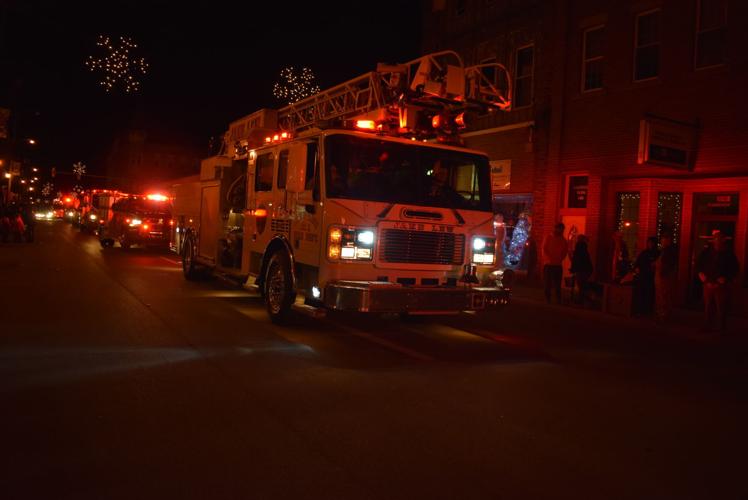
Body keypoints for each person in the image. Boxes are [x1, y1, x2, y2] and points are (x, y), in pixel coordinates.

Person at [696, 230, 740, 333]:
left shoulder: (729, 254)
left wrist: (726, 278)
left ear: (723, 240)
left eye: (720, 239)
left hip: (720, 285)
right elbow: (699, 264)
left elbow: (735, 269)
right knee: (708, 306)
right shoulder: (706, 252)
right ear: (713, 240)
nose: (717, 241)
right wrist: (700, 273)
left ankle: (721, 327)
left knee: (721, 307)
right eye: (716, 239)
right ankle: (707, 325)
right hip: (707, 283)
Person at [542, 222, 568, 304]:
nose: (561, 231)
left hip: (557, 264)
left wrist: (560, 258)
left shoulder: (563, 240)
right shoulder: (548, 237)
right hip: (549, 264)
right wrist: (548, 258)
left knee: (557, 284)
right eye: (560, 229)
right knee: (547, 283)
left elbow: (565, 251)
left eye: (562, 229)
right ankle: (548, 298)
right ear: (556, 229)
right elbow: (544, 249)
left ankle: (558, 299)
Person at [654, 232, 678, 322]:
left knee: (663, 296)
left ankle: (663, 315)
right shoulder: (664, 251)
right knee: (661, 295)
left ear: (668, 241)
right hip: (661, 275)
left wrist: (663, 271)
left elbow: (669, 264)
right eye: (662, 241)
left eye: (664, 241)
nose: (662, 243)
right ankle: (662, 314)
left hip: (664, 276)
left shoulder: (669, 251)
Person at [633, 236, 659, 316]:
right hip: (642, 277)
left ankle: (648, 311)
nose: (650, 244)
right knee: (641, 293)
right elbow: (637, 262)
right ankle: (640, 310)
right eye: (649, 243)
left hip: (650, 277)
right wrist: (637, 268)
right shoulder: (644, 253)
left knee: (649, 294)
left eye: (652, 243)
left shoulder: (657, 253)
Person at [570, 234, 593, 305]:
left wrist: (573, 268)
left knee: (581, 285)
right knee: (583, 285)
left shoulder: (579, 246)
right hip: (586, 269)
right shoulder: (584, 247)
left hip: (581, 269)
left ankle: (582, 300)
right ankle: (584, 299)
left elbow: (576, 259)